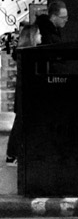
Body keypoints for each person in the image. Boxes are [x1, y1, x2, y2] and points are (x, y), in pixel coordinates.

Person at [4, 16, 44, 167]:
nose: (41, 36)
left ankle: (13, 155)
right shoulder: (29, 56)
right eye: (39, 34)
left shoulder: (22, 55)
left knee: (19, 124)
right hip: (25, 95)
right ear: (33, 37)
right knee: (20, 124)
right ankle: (12, 155)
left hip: (22, 95)